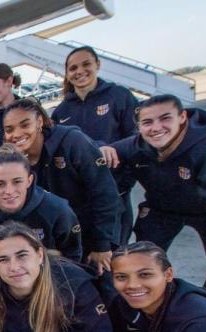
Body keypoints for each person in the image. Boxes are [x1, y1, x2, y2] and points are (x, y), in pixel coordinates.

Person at [102, 95, 206, 304]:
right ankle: (153, 307)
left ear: (182, 117)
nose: (156, 127)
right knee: (141, 261)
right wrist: (103, 148)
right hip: (163, 209)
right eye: (147, 122)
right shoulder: (136, 146)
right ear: (139, 127)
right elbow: (102, 150)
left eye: (165, 119)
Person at [3, 98, 120, 275]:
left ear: (39, 122)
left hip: (93, 233)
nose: (17, 134)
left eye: (25, 124)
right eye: (9, 129)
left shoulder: (73, 142)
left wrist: (102, 244)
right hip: (58, 240)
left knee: (102, 286)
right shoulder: (15, 160)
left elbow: (105, 193)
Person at [52, 46, 139, 245]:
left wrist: (112, 149)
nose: (79, 71)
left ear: (97, 65)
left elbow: (137, 138)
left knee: (114, 253)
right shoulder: (62, 111)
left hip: (114, 195)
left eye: (86, 64)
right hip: (79, 201)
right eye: (73, 68)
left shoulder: (119, 96)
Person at [0, 144, 81, 265]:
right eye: (0, 184)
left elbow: (72, 256)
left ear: (29, 181)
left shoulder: (57, 210)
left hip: (49, 277)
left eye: (17, 181)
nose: (9, 191)